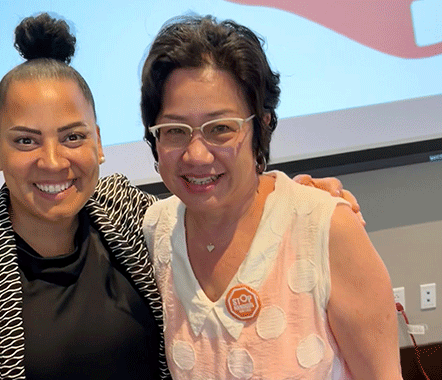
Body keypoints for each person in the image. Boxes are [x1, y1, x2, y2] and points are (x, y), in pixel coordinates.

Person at [0, 12, 361, 380]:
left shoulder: (130, 214)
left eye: (72, 137)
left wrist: (302, 198)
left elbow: (219, 208)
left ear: (97, 142)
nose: (53, 162)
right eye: (26, 140)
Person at [141, 15, 402, 380]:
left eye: (220, 128)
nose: (196, 155)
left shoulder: (326, 228)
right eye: (175, 130)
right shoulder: (155, 230)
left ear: (260, 126)